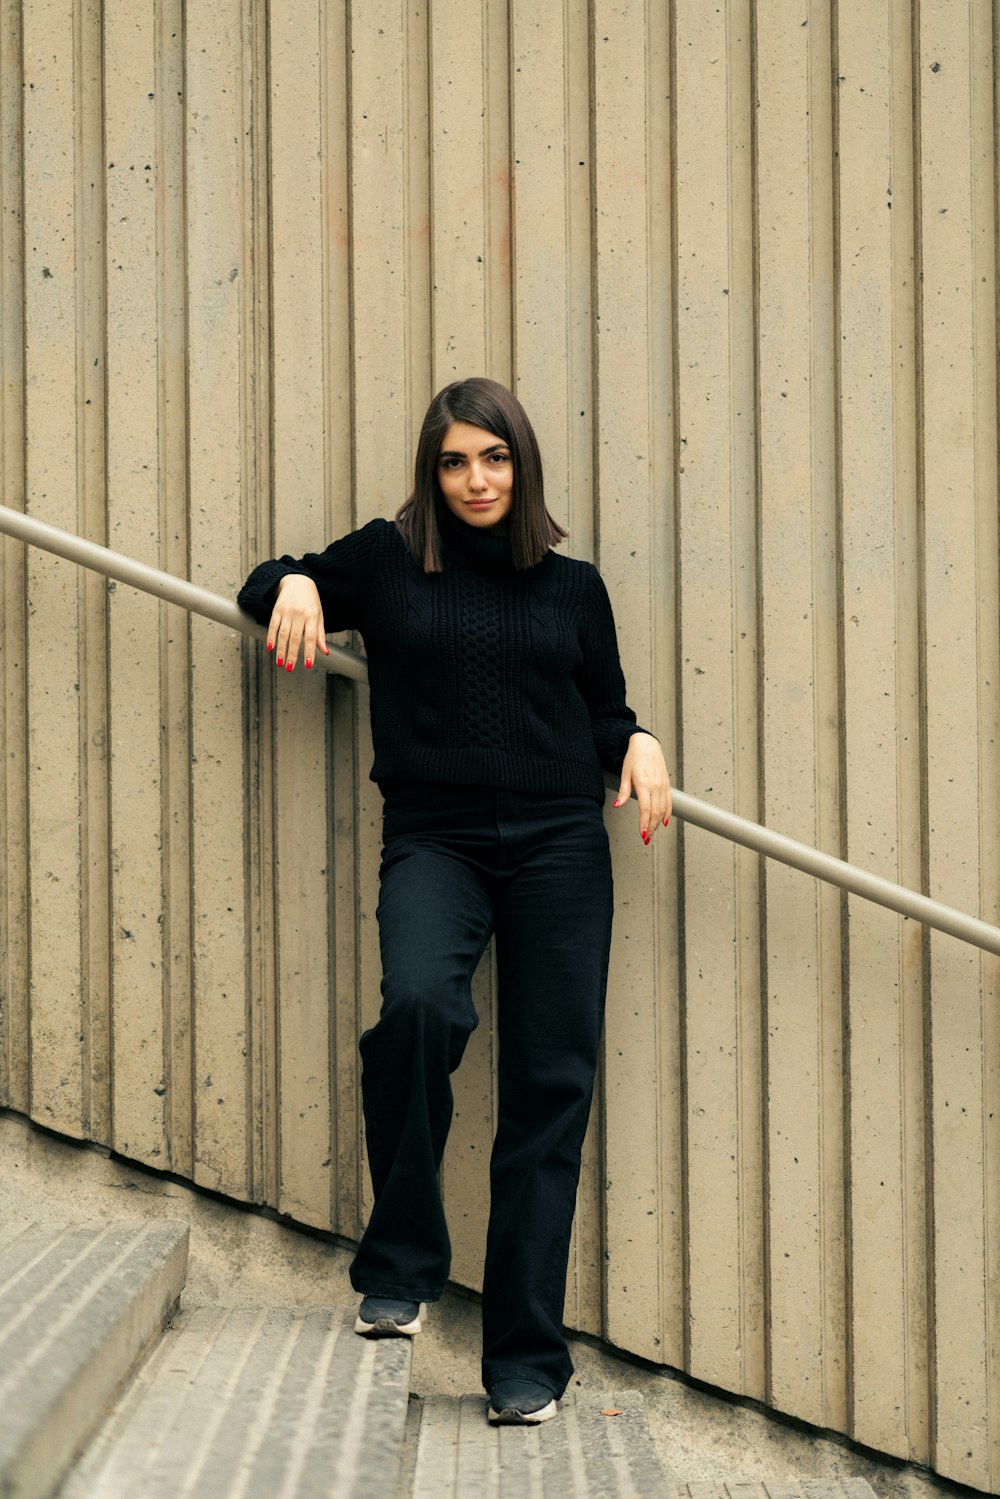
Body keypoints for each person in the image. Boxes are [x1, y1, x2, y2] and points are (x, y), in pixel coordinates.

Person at [237, 377, 672, 1425]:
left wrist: (640, 738)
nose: (475, 479)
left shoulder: (572, 587)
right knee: (421, 1009)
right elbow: (268, 588)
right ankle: (402, 1258)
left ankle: (524, 1356)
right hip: (435, 838)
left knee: (546, 1089)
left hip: (562, 842)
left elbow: (602, 708)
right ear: (430, 471)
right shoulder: (389, 559)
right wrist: (295, 580)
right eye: (453, 460)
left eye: (494, 458)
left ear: (521, 468)